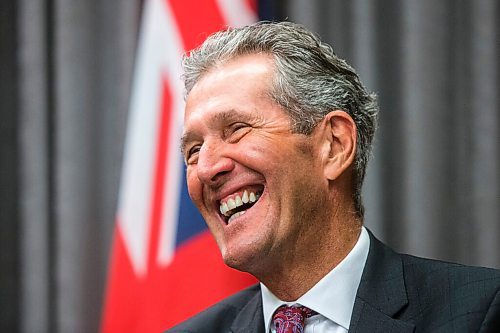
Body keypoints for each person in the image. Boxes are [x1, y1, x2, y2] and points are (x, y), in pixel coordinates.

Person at [168, 21, 500, 332]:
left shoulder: (479, 312)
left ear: (334, 145)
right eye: (193, 152)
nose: (207, 168)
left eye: (237, 129)